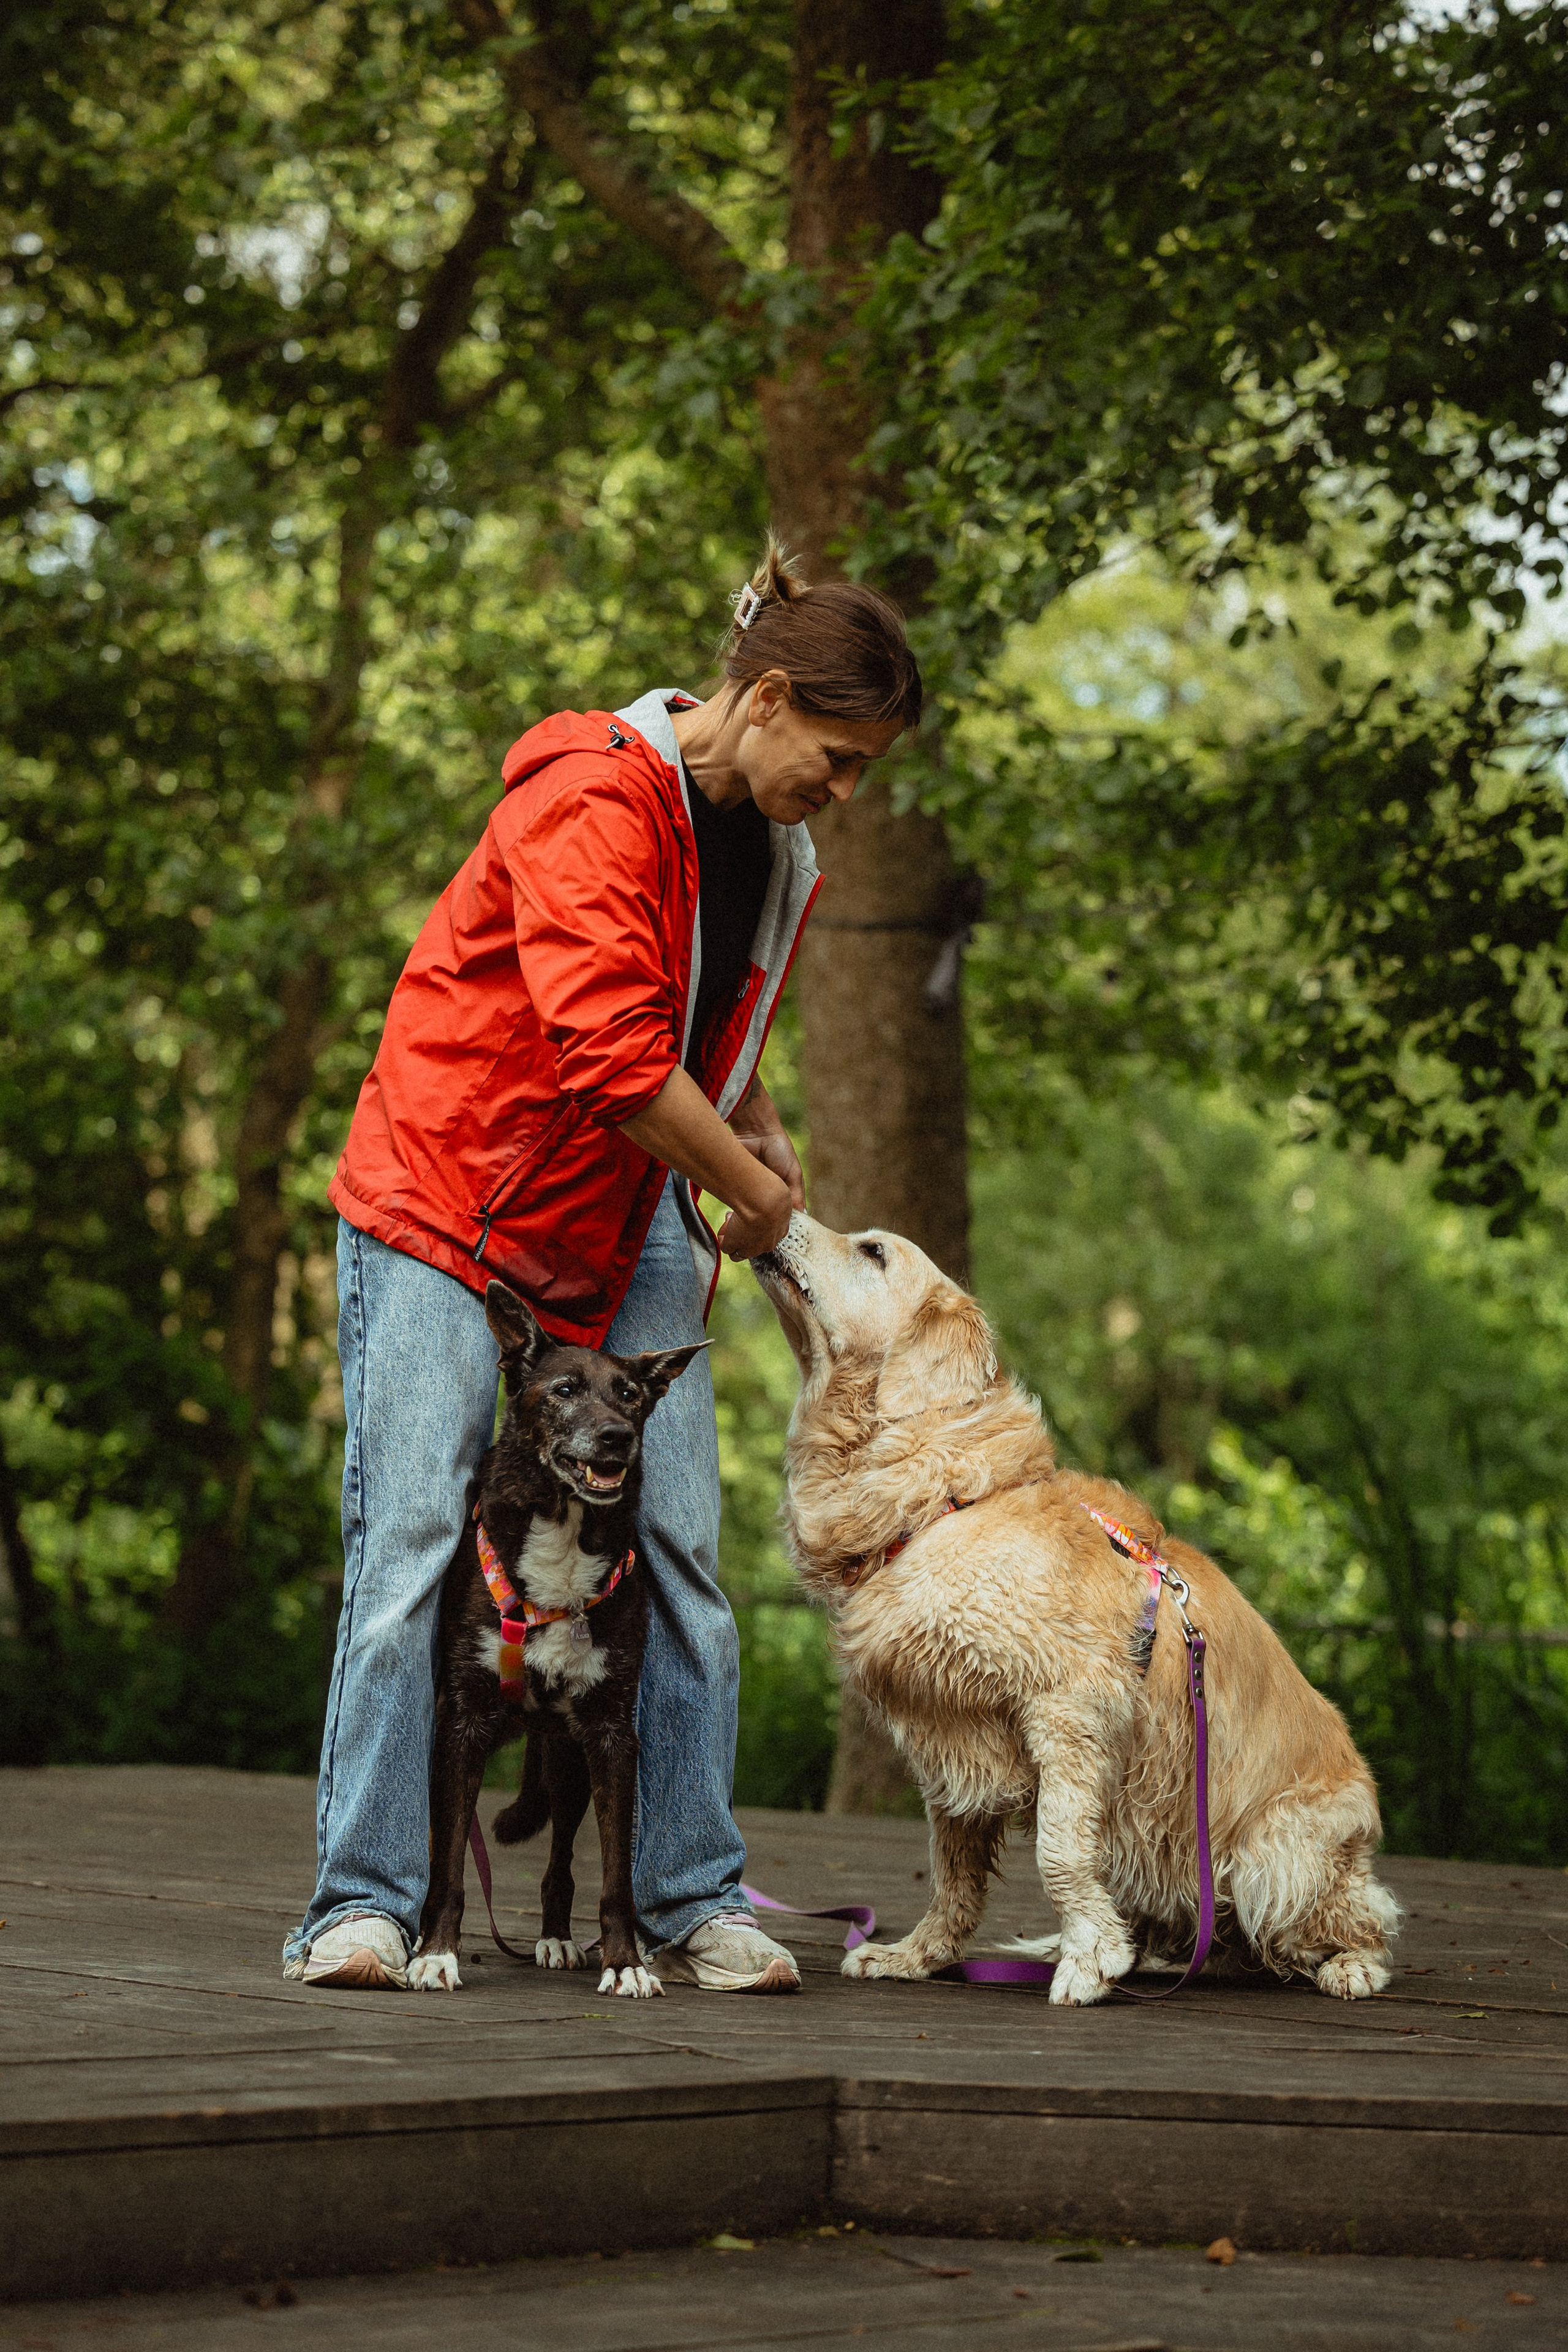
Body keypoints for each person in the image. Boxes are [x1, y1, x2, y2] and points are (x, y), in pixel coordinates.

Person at [282, 541, 922, 1994]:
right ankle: (365, 1905)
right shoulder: (590, 793)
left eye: (863, 769)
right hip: (449, 1201)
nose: (843, 790)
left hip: (617, 1215)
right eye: (837, 757)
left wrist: (754, 1123)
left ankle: (690, 1896)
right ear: (766, 699)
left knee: (679, 1543)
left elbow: (687, 1029)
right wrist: (755, 1195)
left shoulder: (770, 840)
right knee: (414, 1542)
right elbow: (614, 1057)